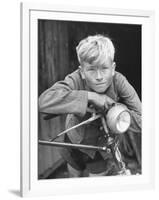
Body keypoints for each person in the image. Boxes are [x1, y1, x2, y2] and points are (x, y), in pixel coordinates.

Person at [39, 34, 141, 177]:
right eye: (92, 69)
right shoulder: (75, 79)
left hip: (101, 146)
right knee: (74, 175)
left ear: (113, 68)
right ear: (82, 71)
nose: (99, 76)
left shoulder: (119, 82)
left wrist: (114, 109)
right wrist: (90, 97)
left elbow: (142, 120)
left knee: (94, 184)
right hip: (74, 139)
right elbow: (44, 102)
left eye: (104, 68)